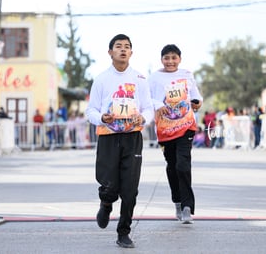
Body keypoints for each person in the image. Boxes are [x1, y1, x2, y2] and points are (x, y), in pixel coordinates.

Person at [85, 34, 154, 249]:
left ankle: (124, 232)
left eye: (127, 47)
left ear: (131, 53)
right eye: (118, 46)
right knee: (109, 184)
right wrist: (101, 118)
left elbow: (149, 108)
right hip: (108, 136)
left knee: (130, 189)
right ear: (110, 52)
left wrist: (143, 118)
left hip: (132, 137)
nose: (123, 50)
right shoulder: (102, 79)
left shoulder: (140, 79)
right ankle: (106, 203)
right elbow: (91, 110)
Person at [148, 44, 203, 224]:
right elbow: (149, 98)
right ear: (161, 59)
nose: (170, 62)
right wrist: (159, 105)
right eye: (167, 58)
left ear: (180, 59)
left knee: (183, 165)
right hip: (165, 128)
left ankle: (187, 208)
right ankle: (178, 202)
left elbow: (195, 94)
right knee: (172, 166)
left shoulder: (186, 75)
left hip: (185, 125)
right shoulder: (155, 77)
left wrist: (197, 102)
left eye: (174, 58)